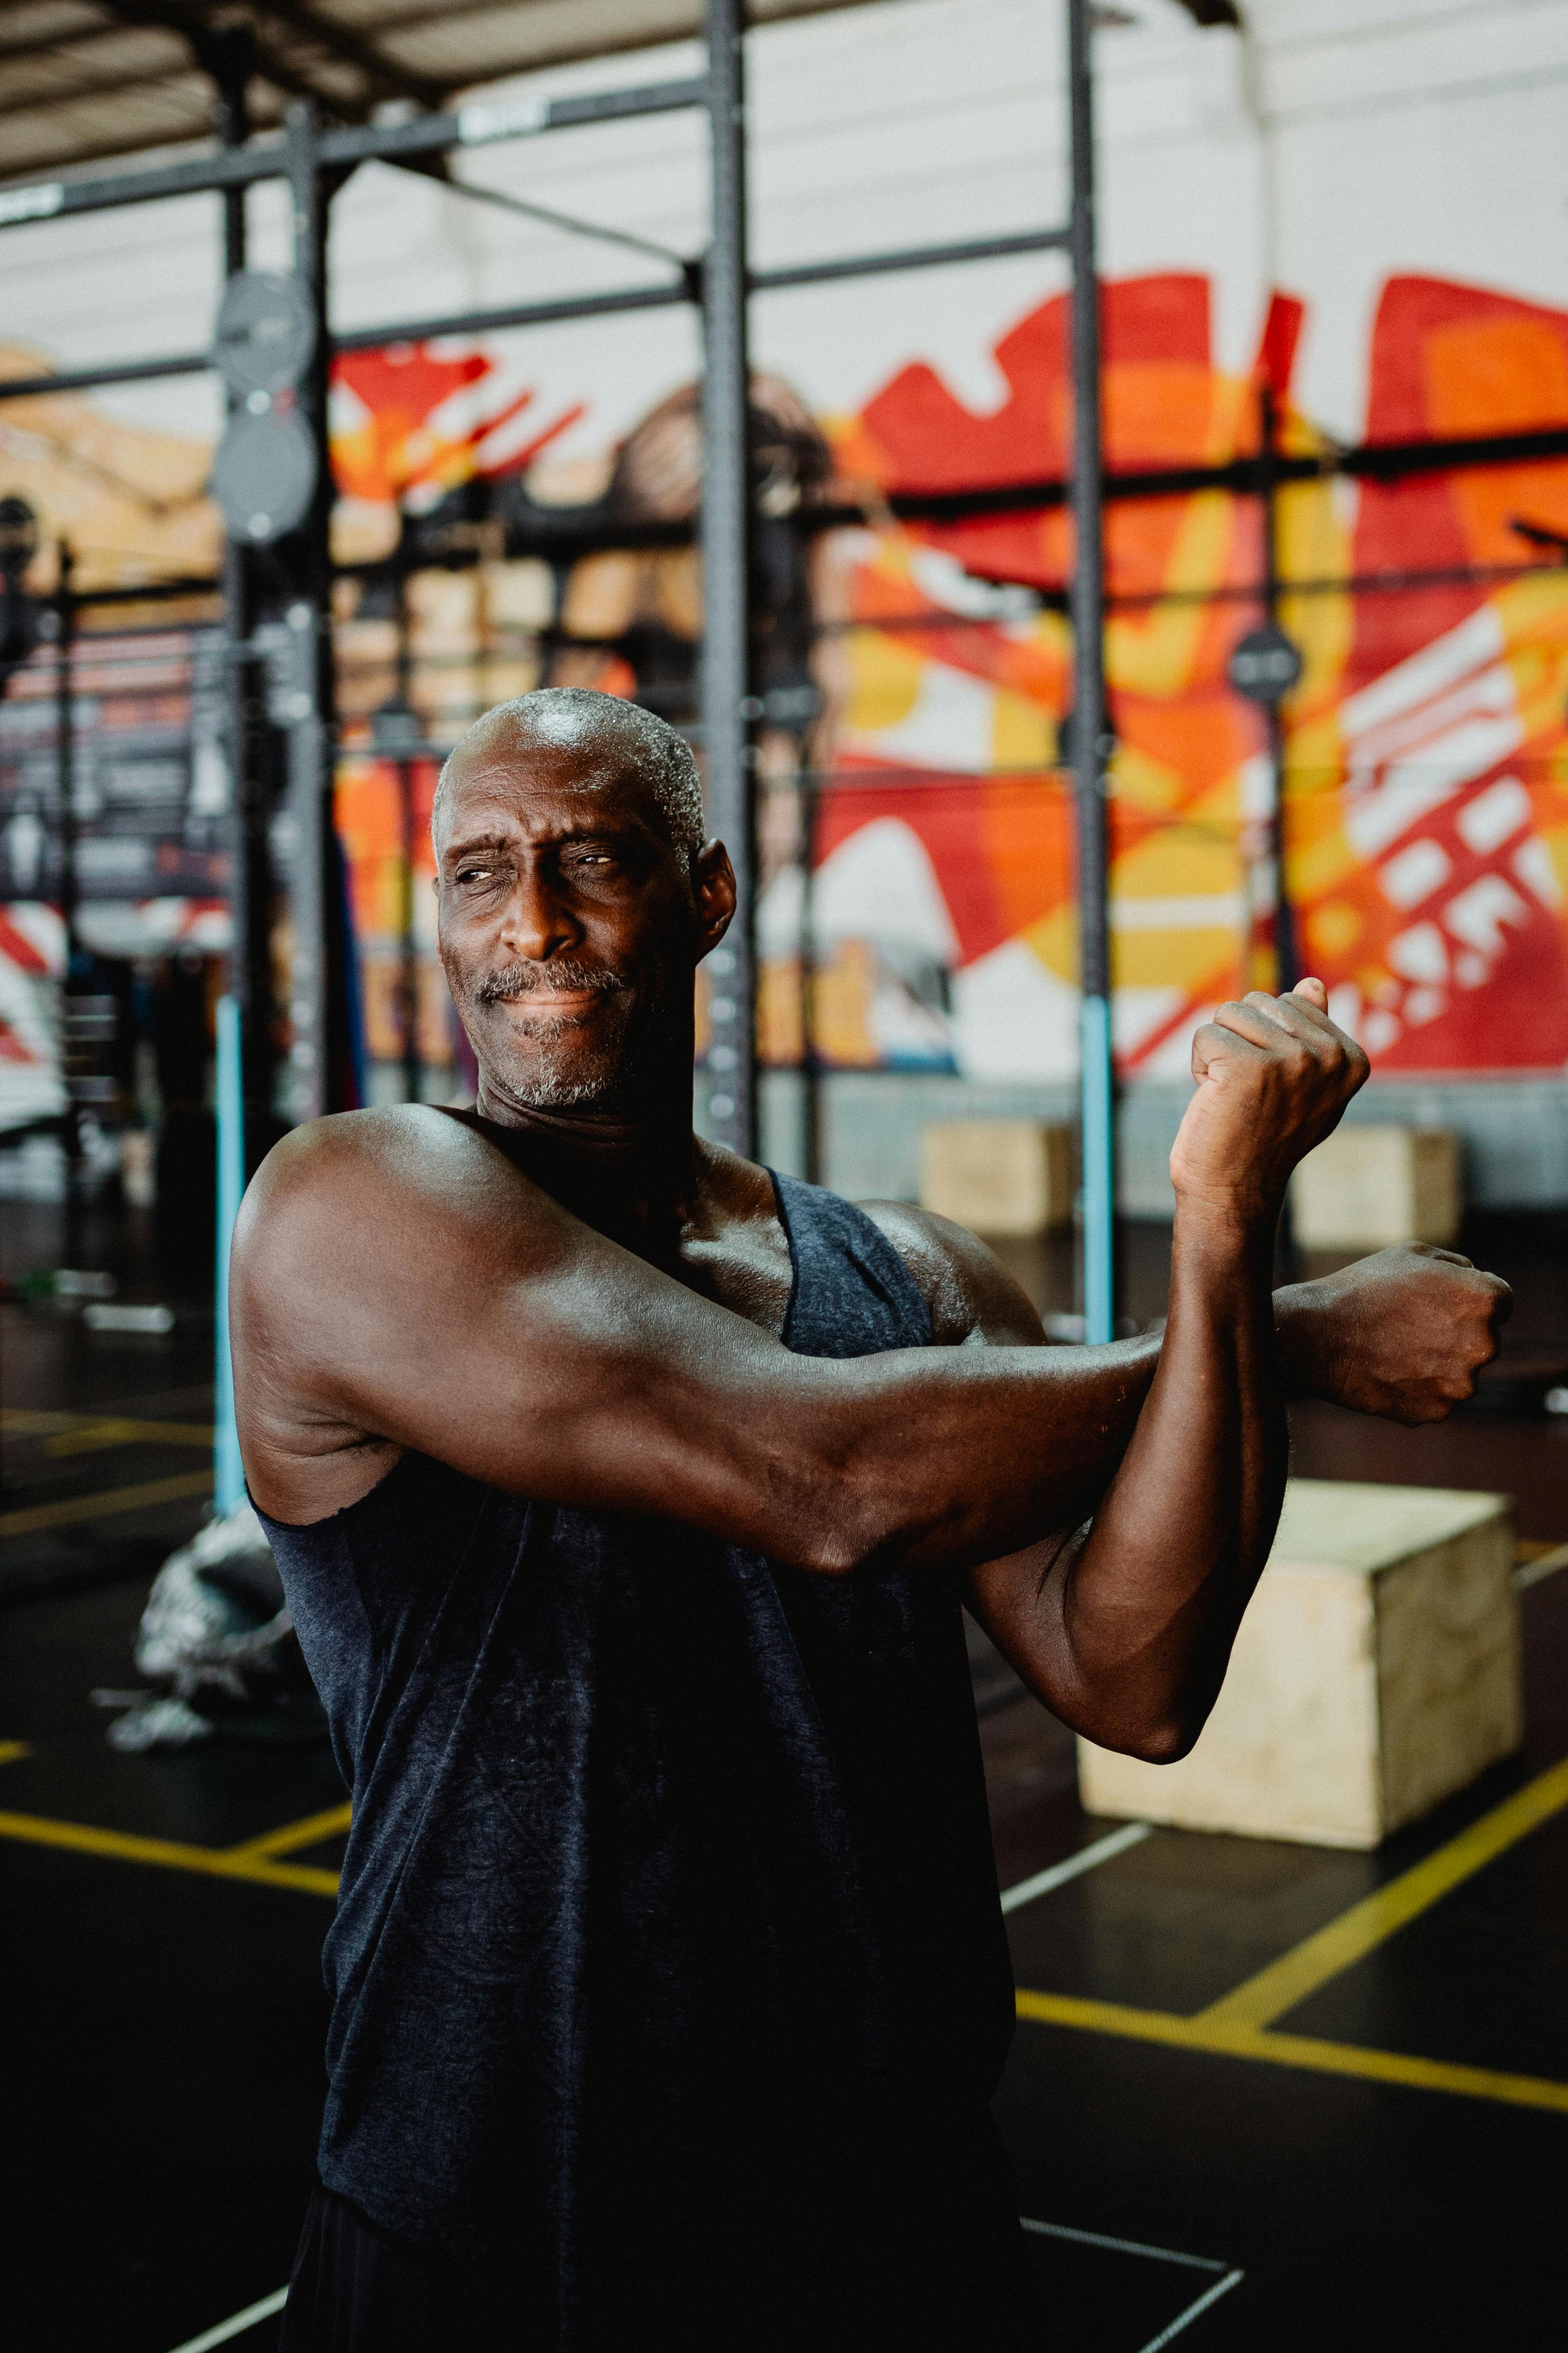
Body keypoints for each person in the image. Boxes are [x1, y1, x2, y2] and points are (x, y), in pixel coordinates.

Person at [233, 689, 1508, 2352]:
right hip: (496, 2191)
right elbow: (815, 1479)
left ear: (707, 896)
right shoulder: (351, 1206)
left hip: (882, 2189)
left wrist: (1220, 1231)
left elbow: (1130, 1678)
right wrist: (1298, 1331)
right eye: (479, 874)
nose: (530, 922)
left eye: (588, 861)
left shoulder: (906, 1274)